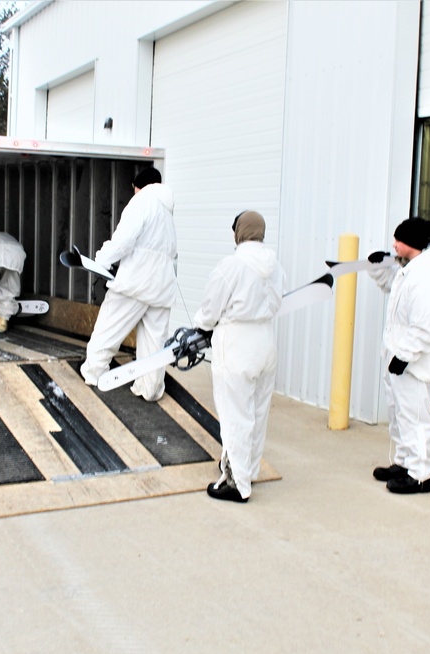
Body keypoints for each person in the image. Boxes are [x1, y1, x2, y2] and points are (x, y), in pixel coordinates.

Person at [193, 211, 284, 503]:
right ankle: (249, 470)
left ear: (239, 232)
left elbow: (210, 307)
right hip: (265, 341)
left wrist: (202, 326)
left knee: (235, 415)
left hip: (237, 344)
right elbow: (277, 301)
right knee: (257, 412)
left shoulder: (231, 265)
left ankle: (237, 483)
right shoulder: (274, 265)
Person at [367, 217, 430, 494]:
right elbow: (391, 288)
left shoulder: (428, 276)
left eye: (398, 240)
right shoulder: (410, 270)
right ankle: (404, 463)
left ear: (412, 242)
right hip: (399, 358)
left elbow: (426, 325)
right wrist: (377, 266)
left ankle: (420, 474)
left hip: (413, 364)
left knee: (415, 417)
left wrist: (405, 355)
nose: (393, 244)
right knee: (399, 414)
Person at [80, 167, 176, 401]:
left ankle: (94, 373)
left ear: (138, 185)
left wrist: (100, 260)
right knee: (154, 343)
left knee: (108, 328)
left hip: (135, 282)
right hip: (162, 288)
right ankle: (150, 389)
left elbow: (123, 241)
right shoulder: (167, 211)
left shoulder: (141, 201)